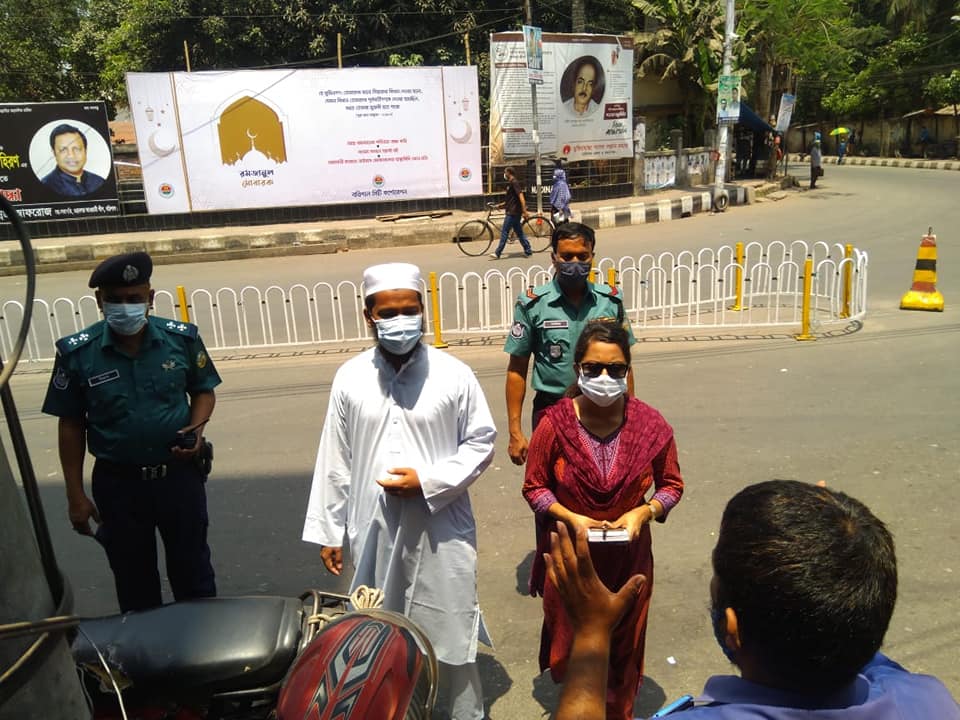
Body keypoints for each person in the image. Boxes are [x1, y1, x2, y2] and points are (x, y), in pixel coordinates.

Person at [548, 480, 960, 720]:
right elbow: (844, 615)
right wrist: (832, 548)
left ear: (733, 629)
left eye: (716, 577)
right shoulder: (929, 700)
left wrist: (592, 634)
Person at [301, 262, 497, 720]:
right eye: (388, 313)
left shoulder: (453, 374)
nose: (400, 321)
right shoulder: (350, 377)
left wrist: (429, 483)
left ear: (423, 310)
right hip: (372, 526)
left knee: (451, 627)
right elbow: (335, 455)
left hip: (440, 527)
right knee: (376, 632)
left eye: (410, 310)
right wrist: (330, 531)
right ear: (368, 316)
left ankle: (464, 715)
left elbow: (481, 441)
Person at [523, 320, 684, 720]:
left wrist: (643, 512)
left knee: (624, 648)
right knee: (574, 646)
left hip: (629, 559)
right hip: (572, 560)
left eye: (616, 368)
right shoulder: (554, 424)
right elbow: (535, 488)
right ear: (577, 368)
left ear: (628, 370)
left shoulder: (651, 425)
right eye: (593, 368)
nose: (605, 378)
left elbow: (671, 486)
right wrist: (570, 517)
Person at [41, 252, 219, 613]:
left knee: (194, 574)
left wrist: (196, 429)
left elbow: (203, 390)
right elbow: (70, 424)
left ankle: (201, 644)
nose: (125, 307)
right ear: (99, 301)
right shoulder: (78, 353)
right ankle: (148, 650)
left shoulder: (181, 340)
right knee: (134, 581)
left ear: (150, 298)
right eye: (115, 299)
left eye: (134, 298)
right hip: (119, 486)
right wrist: (75, 495)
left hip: (179, 478)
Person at [503, 222, 635, 466]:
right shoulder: (533, 305)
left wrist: (631, 416)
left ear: (592, 257)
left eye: (582, 256)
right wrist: (515, 431)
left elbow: (625, 365)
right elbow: (516, 369)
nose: (575, 262)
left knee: (605, 477)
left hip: (604, 408)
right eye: (567, 256)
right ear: (554, 257)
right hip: (552, 409)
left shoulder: (610, 302)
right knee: (549, 481)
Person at [40, 123, 106, 197]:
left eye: (76, 149)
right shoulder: (45, 186)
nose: (71, 155)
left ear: (85, 151)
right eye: (63, 150)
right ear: (54, 153)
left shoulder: (99, 182)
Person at [490, 166, 533, 259]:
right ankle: (528, 250)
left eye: (505, 172)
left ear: (509, 173)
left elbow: (521, 197)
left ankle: (498, 252)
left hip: (513, 213)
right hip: (513, 211)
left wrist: (524, 211)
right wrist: (499, 206)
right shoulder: (511, 184)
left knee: (505, 232)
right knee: (519, 232)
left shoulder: (514, 183)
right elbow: (510, 200)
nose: (504, 174)